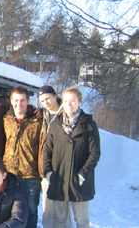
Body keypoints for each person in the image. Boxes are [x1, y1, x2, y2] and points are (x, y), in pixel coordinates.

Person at [44, 87, 101, 228]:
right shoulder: (55, 124)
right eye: (66, 101)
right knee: (59, 219)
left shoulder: (89, 125)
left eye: (73, 101)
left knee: (81, 220)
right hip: (59, 179)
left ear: (80, 102)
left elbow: (94, 153)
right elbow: (47, 152)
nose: (69, 104)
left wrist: (83, 174)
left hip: (79, 181)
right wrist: (49, 173)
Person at [3, 86, 42, 228]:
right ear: (11, 101)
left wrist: (41, 110)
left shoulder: (38, 120)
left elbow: (58, 107)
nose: (19, 104)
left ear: (28, 101)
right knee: (9, 210)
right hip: (10, 173)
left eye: (22, 101)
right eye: (16, 100)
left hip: (31, 174)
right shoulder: (6, 119)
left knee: (31, 210)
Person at [37, 85, 74, 228]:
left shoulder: (67, 114)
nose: (45, 102)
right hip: (46, 167)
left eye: (47, 98)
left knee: (64, 207)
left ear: (54, 96)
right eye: (42, 100)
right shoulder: (43, 115)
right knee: (47, 206)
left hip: (64, 167)